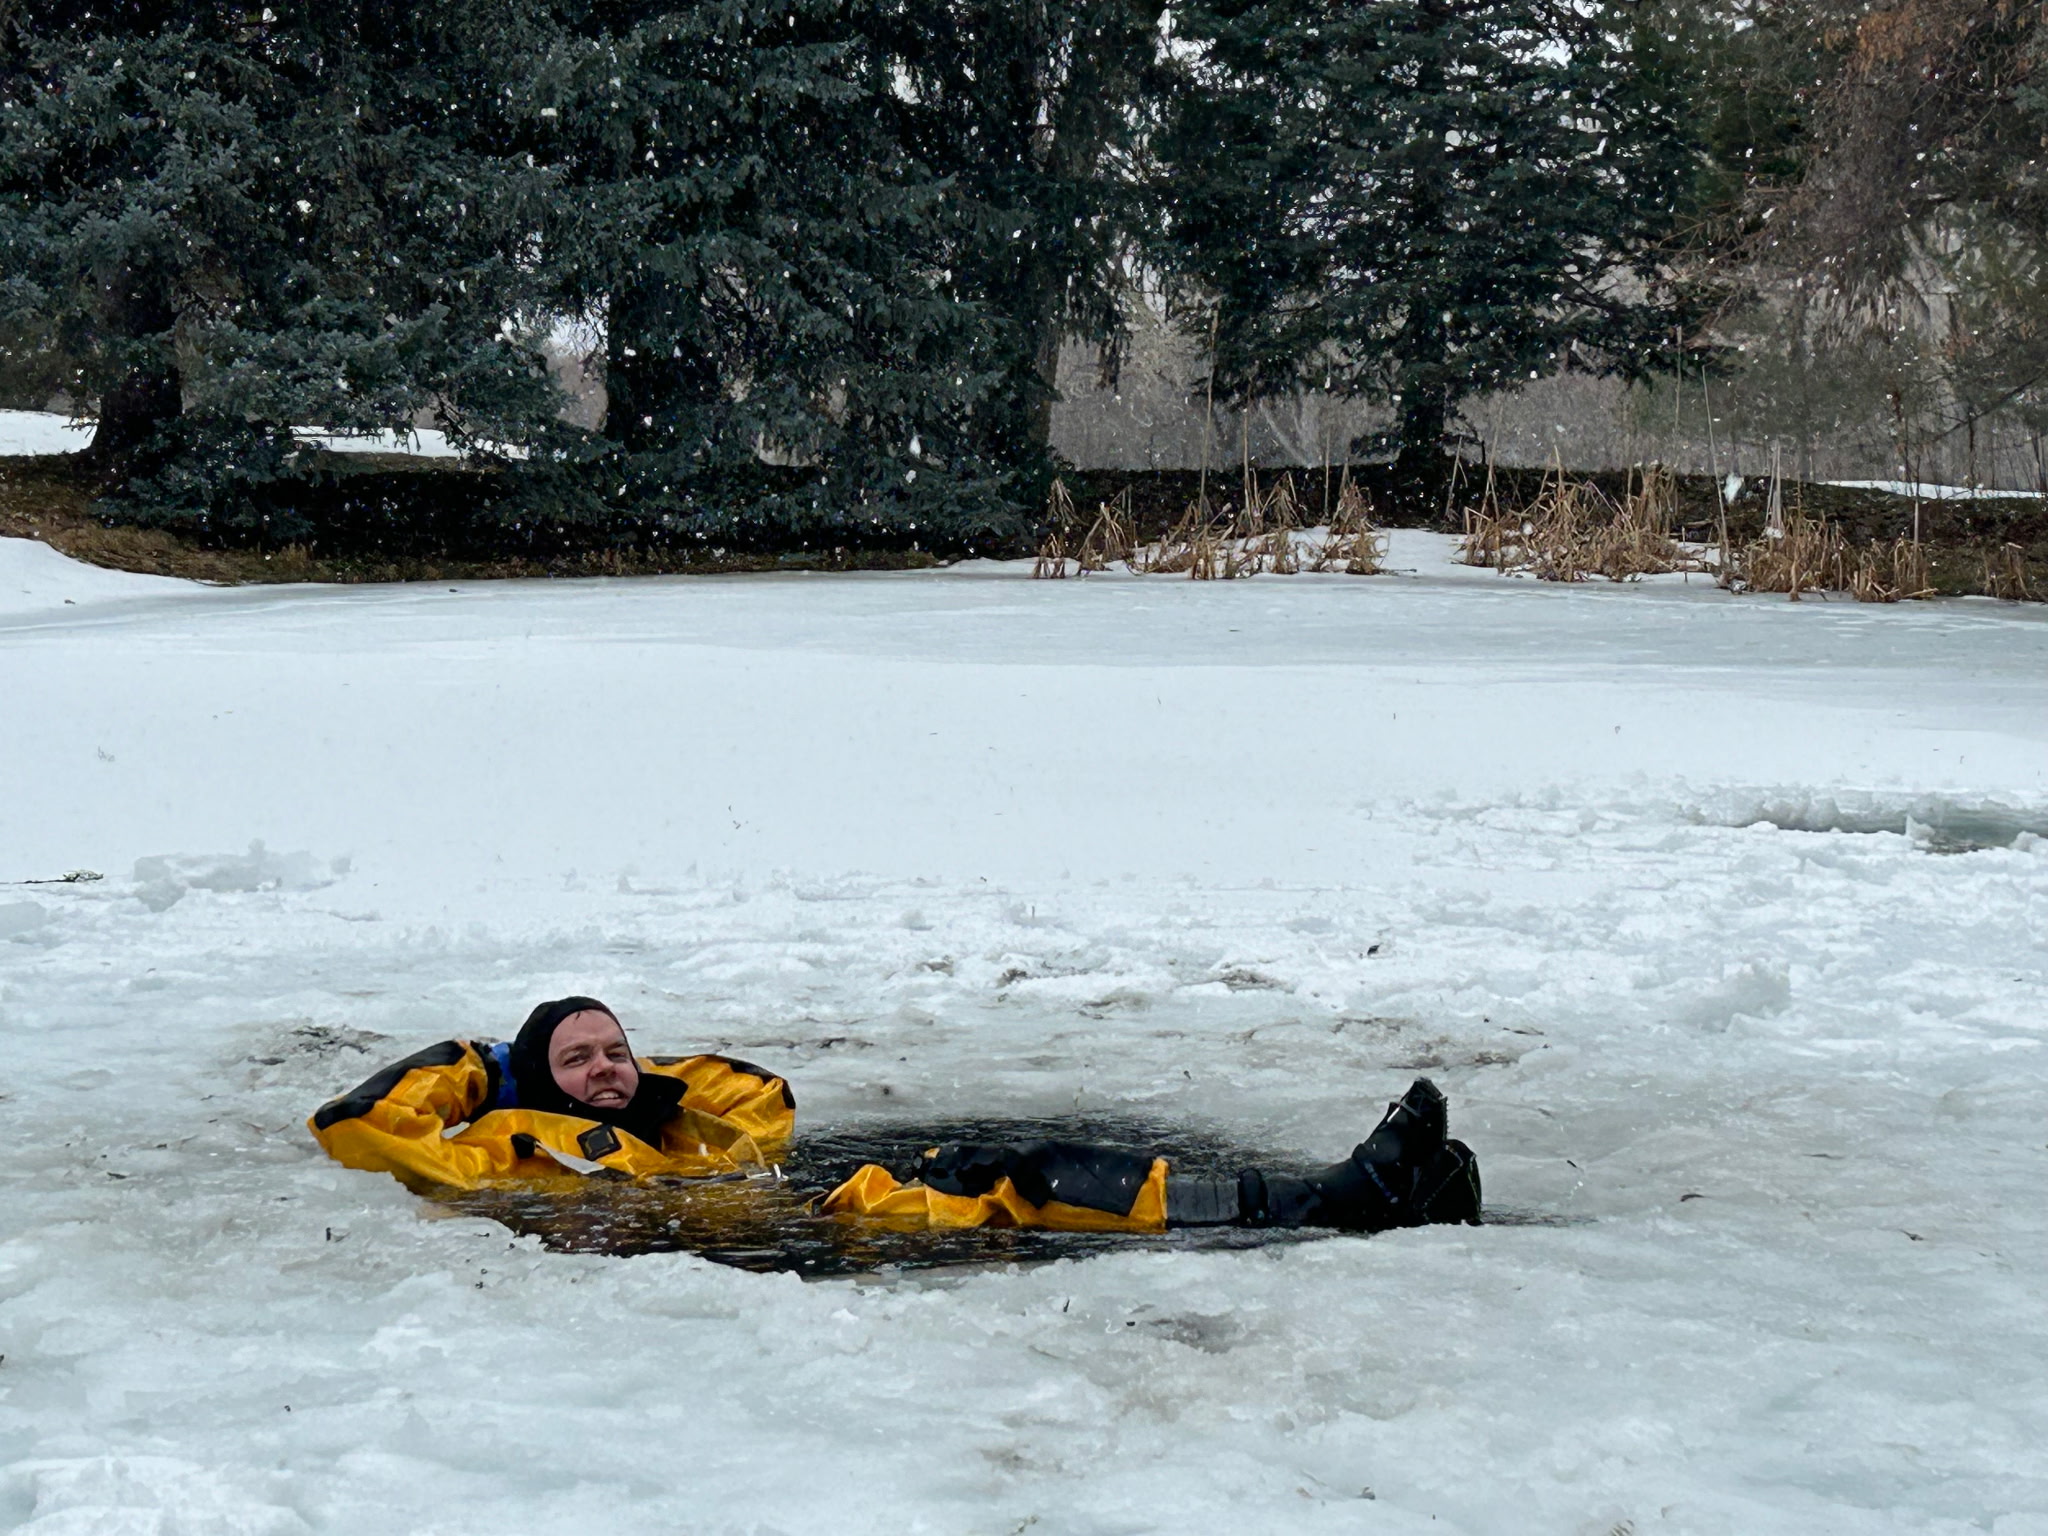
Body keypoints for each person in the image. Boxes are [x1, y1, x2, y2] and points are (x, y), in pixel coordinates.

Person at [309, 995, 1482, 1234]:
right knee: (1021, 1183)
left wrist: (637, 1080)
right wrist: (479, 1070)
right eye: (580, 1059)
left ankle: (1361, 1192)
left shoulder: (662, 1119)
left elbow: (762, 1102)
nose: (610, 1068)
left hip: (776, 1203)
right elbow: (359, 1126)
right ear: (531, 1075)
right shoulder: (497, 1149)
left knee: (1007, 1159)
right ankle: (1340, 1202)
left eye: (618, 1049)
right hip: (769, 1231)